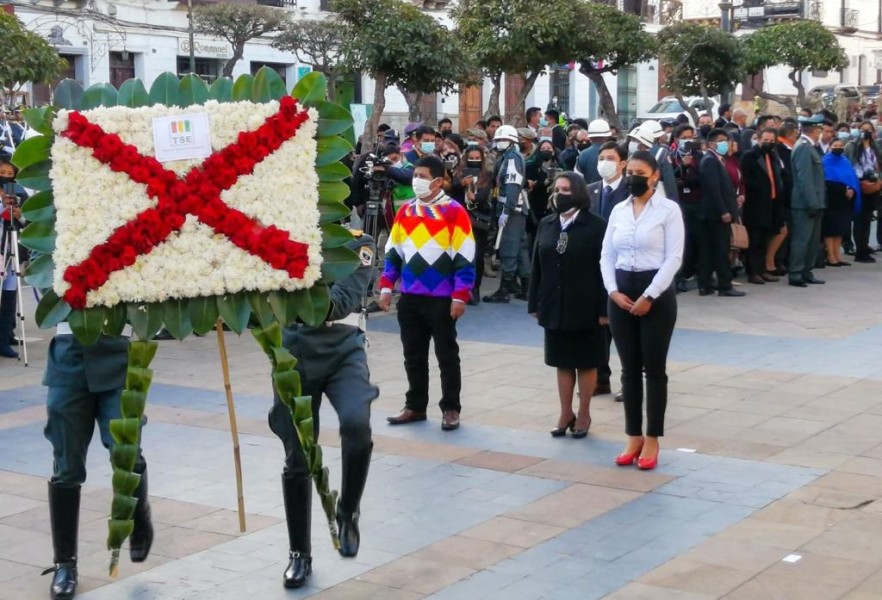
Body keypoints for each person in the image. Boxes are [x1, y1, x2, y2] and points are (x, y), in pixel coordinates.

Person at [270, 233, 379, 589]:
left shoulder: (357, 242)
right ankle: (299, 553)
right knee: (298, 457)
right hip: (296, 349)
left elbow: (342, 300)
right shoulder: (281, 236)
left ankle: (348, 510)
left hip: (343, 348)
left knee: (356, 424)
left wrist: (293, 278)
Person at [43, 328, 154, 599]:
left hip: (116, 356)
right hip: (68, 358)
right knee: (66, 464)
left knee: (125, 452)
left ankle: (139, 515)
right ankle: (65, 563)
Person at [601, 151, 683, 471]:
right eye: (630, 171)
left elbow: (673, 258)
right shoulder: (619, 210)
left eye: (640, 172)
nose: (633, 177)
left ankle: (652, 436)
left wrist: (650, 295)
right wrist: (612, 291)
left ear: (654, 176)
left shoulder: (668, 210)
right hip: (621, 292)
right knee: (629, 369)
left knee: (654, 369)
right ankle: (632, 434)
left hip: (656, 294)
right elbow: (606, 254)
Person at [381, 156, 475, 430]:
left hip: (442, 299)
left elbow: (465, 256)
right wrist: (387, 286)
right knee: (413, 355)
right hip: (410, 296)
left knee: (446, 355)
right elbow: (393, 251)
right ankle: (415, 406)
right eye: (415, 175)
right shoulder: (406, 211)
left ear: (438, 180)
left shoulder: (454, 211)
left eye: (422, 175)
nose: (416, 180)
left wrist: (460, 295)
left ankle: (450, 408)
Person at [528, 172, 607, 439]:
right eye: (557, 189)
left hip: (585, 302)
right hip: (554, 302)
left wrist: (605, 309)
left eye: (566, 190)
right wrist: (534, 301)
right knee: (561, 361)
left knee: (585, 361)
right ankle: (565, 412)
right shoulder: (547, 223)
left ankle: (584, 412)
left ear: (579, 194)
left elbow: (605, 269)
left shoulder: (596, 226)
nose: (560, 195)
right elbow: (536, 264)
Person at [587, 141, 629, 399]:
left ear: (622, 163)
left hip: (623, 269)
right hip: (595, 269)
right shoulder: (590, 191)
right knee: (596, 328)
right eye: (601, 157)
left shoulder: (631, 192)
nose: (604, 162)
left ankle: (629, 381)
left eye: (610, 158)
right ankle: (600, 378)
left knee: (623, 329)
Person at [484, 125, 531, 304]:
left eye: (501, 140)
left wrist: (505, 210)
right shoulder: (510, 156)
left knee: (509, 248)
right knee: (520, 248)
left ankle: (505, 288)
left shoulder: (511, 159)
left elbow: (512, 186)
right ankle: (525, 286)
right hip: (515, 209)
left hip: (511, 209)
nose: (498, 143)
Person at [698, 129, 744, 296]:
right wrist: (724, 210)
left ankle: (706, 284)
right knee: (720, 249)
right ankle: (725, 285)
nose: (725, 143)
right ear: (711, 143)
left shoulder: (717, 160)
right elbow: (713, 189)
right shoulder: (710, 161)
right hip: (715, 214)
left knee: (710, 250)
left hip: (713, 213)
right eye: (721, 140)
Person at [741, 127, 785, 284]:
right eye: (765, 140)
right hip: (755, 205)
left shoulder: (773, 156)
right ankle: (753, 272)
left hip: (772, 204)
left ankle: (763, 270)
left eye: (771, 141)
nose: (768, 143)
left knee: (766, 237)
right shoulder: (749, 156)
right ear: (758, 139)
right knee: (755, 240)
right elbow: (745, 180)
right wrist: (761, 187)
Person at [788, 116, 827, 287]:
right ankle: (796, 273)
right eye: (820, 130)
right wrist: (812, 202)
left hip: (814, 201)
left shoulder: (809, 147)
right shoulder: (804, 148)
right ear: (816, 130)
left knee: (812, 240)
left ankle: (806, 271)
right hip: (805, 203)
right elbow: (805, 179)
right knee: (802, 240)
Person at [458, 146, 494, 305]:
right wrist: (461, 184)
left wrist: (475, 196)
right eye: (471, 158)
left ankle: (475, 289)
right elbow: (452, 191)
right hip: (460, 217)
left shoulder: (487, 175)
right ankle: (460, 288)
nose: (474, 161)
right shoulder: (459, 173)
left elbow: (484, 195)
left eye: (477, 158)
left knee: (477, 255)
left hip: (479, 220)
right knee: (460, 255)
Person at [671, 124, 703, 293]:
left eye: (690, 136)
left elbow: (701, 177)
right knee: (682, 240)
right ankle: (681, 275)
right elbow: (672, 177)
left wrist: (686, 180)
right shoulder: (671, 154)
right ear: (677, 139)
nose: (688, 140)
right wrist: (683, 166)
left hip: (696, 201)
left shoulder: (698, 154)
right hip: (679, 201)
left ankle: (694, 270)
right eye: (684, 137)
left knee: (696, 238)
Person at [0, 160, 27, 358]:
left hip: (12, 250)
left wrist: (19, 215)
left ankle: (5, 337)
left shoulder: (20, 194)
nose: (6, 176)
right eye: (2, 172)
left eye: (10, 173)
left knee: (10, 295)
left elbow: (28, 223)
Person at [822, 138, 860, 267]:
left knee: (841, 228)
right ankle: (830, 256)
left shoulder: (845, 161)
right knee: (830, 229)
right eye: (835, 145)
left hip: (846, 200)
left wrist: (852, 189)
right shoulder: (825, 161)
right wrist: (844, 188)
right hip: (832, 199)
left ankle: (837, 254)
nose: (838, 147)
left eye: (840, 145)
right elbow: (826, 181)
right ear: (830, 147)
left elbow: (852, 178)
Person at [847, 121, 882, 263]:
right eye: (863, 130)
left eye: (869, 130)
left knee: (868, 218)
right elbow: (850, 165)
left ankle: (865, 245)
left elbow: (878, 165)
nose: (866, 133)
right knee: (860, 219)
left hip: (873, 184)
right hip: (858, 184)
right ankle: (859, 250)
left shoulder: (875, 146)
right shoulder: (852, 146)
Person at [575, 119, 612, 184]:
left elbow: (577, 181)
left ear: (590, 137)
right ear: (608, 136)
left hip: (588, 192)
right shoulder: (616, 153)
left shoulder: (583, 155)